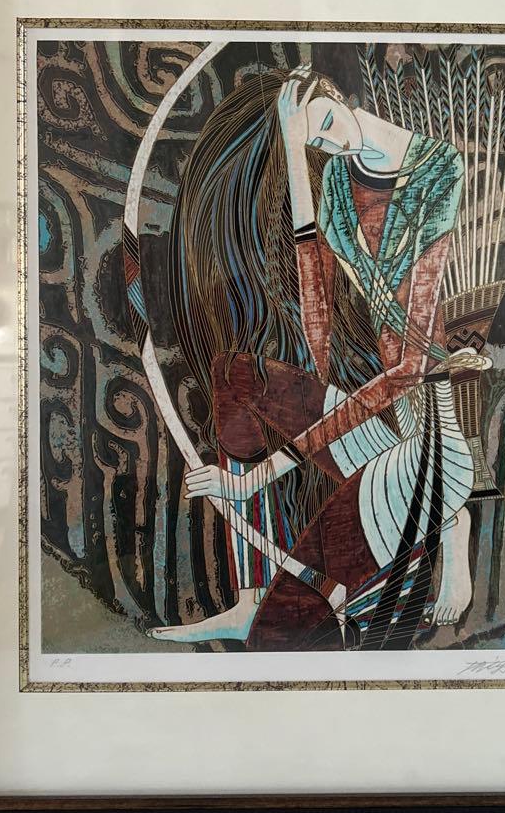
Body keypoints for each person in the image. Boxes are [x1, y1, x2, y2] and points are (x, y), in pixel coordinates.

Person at [149, 62, 480, 651]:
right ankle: (248, 596)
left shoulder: (439, 170)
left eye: (325, 123)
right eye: (315, 143)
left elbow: (408, 371)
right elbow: (318, 315)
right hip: (382, 430)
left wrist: (261, 477)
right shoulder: (336, 185)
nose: (331, 143)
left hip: (429, 452)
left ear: (337, 93)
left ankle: (448, 520)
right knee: (238, 380)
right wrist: (295, 146)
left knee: (282, 631)